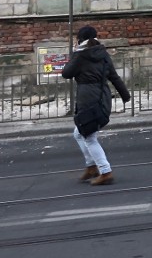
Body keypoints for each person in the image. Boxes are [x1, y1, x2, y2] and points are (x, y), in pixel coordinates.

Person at [62, 25, 130, 186]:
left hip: (88, 100)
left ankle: (105, 171)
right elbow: (114, 77)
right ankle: (91, 166)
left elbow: (66, 73)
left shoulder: (80, 55)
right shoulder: (103, 54)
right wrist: (125, 96)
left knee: (89, 137)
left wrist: (74, 53)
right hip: (102, 98)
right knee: (79, 133)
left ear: (80, 39)